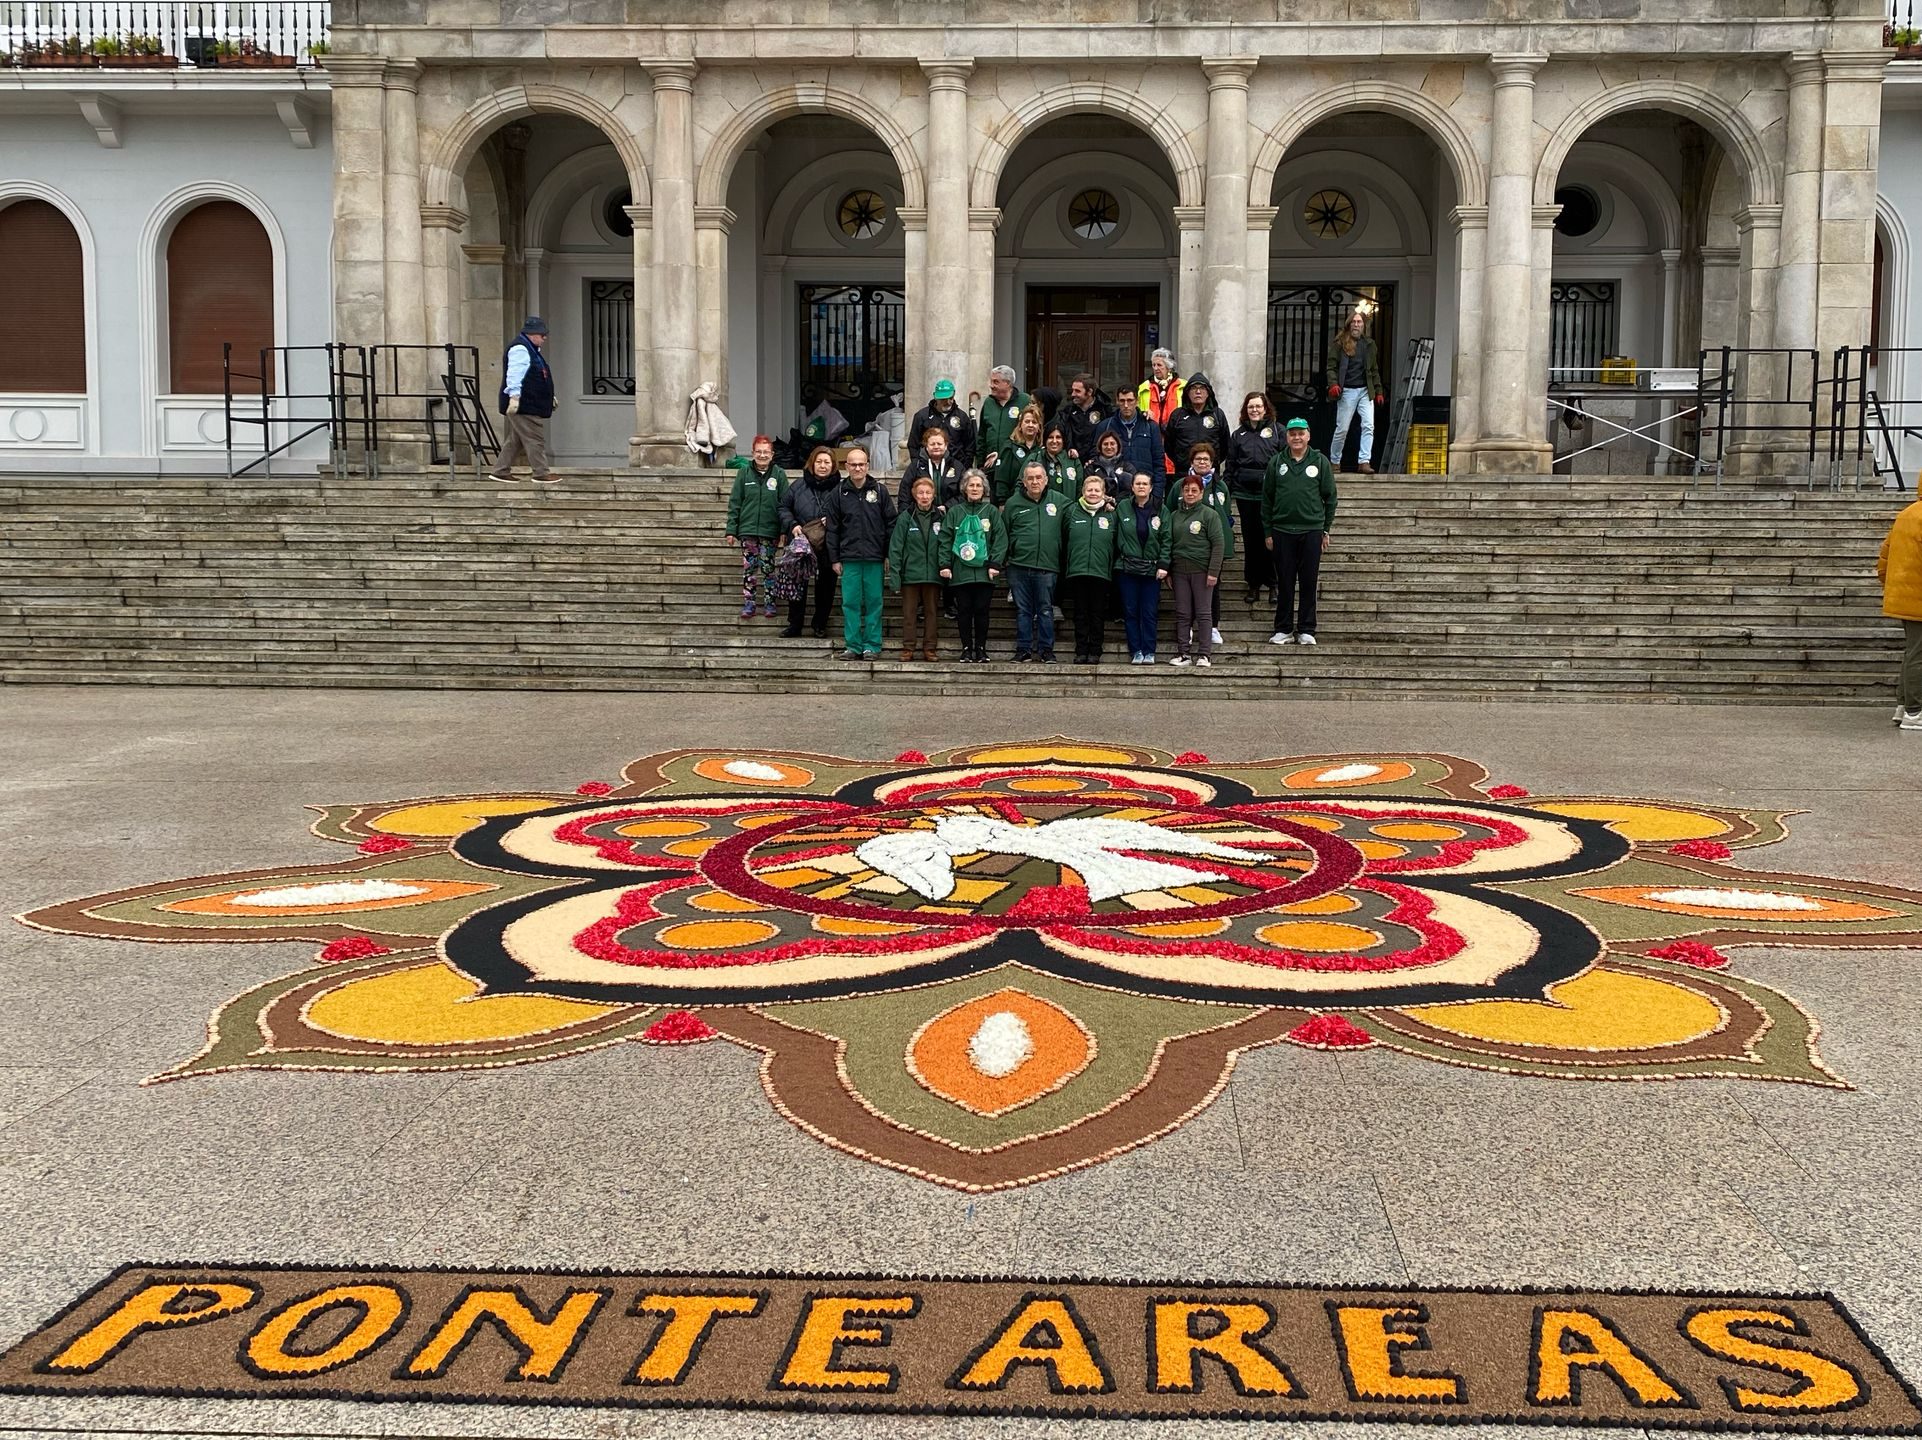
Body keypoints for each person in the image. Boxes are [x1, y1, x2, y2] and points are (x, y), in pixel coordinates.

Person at [1263, 417, 1338, 647]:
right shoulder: (1276, 462)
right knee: (1284, 581)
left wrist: (1325, 529)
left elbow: (1330, 498)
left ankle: (1306, 628)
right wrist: (1268, 531)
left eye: (1301, 433)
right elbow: (1267, 499)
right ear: (1287, 437)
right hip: (1282, 530)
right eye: (1292, 433)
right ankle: (1283, 629)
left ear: (1308, 436)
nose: (1297, 437)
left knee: (1308, 581)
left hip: (1312, 531)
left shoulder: (1320, 461)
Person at [826, 446, 895, 660]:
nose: (857, 468)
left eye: (861, 464)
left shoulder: (880, 491)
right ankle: (853, 645)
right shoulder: (838, 493)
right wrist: (834, 558)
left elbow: (891, 524)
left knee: (874, 602)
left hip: (874, 557)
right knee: (850, 603)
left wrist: (887, 554)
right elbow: (832, 528)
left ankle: (872, 646)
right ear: (846, 466)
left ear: (867, 466)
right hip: (849, 558)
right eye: (853, 464)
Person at [1001, 460, 1067, 663]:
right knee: (1023, 610)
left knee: (1045, 610)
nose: (1035, 481)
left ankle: (1046, 650)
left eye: (1039, 477)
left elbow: (1082, 508)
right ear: (1024, 481)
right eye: (1030, 478)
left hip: (1047, 566)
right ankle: (1023, 649)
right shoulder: (1013, 503)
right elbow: (1004, 532)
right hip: (1018, 566)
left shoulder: (1059, 500)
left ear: (1046, 480)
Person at [943, 468, 1005, 664]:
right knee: (964, 611)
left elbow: (1000, 539)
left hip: (985, 572)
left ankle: (981, 648)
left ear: (984, 489)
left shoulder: (991, 512)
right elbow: (945, 539)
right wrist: (945, 564)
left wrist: (995, 563)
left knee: (982, 611)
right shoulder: (954, 513)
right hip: (961, 572)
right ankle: (966, 648)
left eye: (979, 485)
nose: (975, 488)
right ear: (965, 488)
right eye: (971, 485)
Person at [779, 445, 842, 638]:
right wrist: (792, 524)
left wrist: (833, 519)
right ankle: (795, 624)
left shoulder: (841, 488)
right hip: (801, 541)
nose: (822, 466)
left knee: (826, 585)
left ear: (833, 466)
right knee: (797, 583)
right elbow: (783, 507)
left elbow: (849, 512)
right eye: (819, 462)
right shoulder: (798, 485)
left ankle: (819, 624)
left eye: (827, 462)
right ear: (812, 463)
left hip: (828, 543)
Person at [1226, 393, 1282, 604]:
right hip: (1244, 494)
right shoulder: (1238, 434)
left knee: (1270, 540)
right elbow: (1231, 465)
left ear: (1266, 408)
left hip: (1270, 495)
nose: (1255, 410)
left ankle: (1273, 584)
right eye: (1251, 407)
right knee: (1251, 542)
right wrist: (1227, 492)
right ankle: (1253, 584)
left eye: (1258, 406)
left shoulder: (1278, 431)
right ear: (1245, 409)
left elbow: (1284, 461)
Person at [723, 435, 788, 618]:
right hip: (748, 530)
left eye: (765, 452)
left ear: (772, 454)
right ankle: (749, 603)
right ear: (753, 453)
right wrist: (731, 530)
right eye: (758, 452)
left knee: (768, 569)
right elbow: (735, 502)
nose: (762, 455)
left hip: (770, 531)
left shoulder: (779, 474)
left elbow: (785, 504)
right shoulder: (743, 474)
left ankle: (769, 603)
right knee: (749, 569)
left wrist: (784, 530)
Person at [1167, 472, 1224, 668]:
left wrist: (1213, 572)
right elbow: (1169, 543)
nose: (1190, 494)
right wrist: (1169, 570)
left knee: (1203, 613)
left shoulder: (1210, 515)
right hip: (1180, 571)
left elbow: (1218, 545)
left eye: (1194, 490)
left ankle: (1204, 654)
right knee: (1183, 613)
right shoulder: (1174, 515)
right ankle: (1183, 653)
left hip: (1202, 570)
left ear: (1201, 493)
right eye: (1187, 490)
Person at [887, 475, 945, 662]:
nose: (925, 496)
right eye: (921, 493)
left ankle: (930, 648)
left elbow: (946, 544)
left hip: (933, 575)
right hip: (910, 575)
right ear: (914, 495)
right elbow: (896, 548)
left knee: (931, 613)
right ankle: (908, 647)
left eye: (928, 492)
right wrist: (895, 577)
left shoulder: (941, 517)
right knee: (909, 614)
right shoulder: (905, 517)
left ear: (934, 495)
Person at [1114, 470, 1169, 664]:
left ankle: (1149, 650)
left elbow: (1166, 538)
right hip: (1127, 568)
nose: (1141, 487)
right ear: (1132, 487)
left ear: (1151, 487)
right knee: (1130, 611)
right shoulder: (1122, 507)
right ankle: (1136, 650)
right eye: (1138, 483)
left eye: (1145, 484)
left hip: (1152, 570)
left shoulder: (1161, 508)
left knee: (1149, 612)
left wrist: (1164, 564)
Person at [1182, 443, 1235, 645]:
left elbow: (1227, 514)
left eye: (1206, 459)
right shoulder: (1182, 485)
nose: (1202, 462)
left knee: (1213, 586)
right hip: (1188, 548)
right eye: (1198, 459)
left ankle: (1212, 626)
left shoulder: (1220, 487)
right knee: (1188, 589)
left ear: (1212, 463)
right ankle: (1188, 627)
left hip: (1212, 548)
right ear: (1192, 462)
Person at [490, 316, 554, 483]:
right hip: (525, 404)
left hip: (529, 402)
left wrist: (549, 396)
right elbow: (515, 374)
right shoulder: (521, 349)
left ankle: (500, 470)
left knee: (516, 439)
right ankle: (541, 473)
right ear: (532, 334)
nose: (544, 338)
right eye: (542, 335)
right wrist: (515, 397)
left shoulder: (530, 349)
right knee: (535, 438)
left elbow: (538, 376)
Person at [1062, 473, 1118, 664]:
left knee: (1097, 614)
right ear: (1083, 491)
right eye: (1089, 490)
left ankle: (1095, 650)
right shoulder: (1071, 512)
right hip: (1077, 571)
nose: (1093, 493)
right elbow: (1063, 537)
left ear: (1103, 492)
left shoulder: (1111, 514)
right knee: (1080, 614)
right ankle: (1081, 650)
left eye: (1097, 490)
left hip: (1101, 572)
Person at [1880, 495, 1922, 730]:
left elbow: (1886, 553)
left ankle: (1903, 705)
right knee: (1919, 654)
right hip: (1919, 597)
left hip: (1906, 596)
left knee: (1913, 652)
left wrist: (1889, 584)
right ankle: (1915, 713)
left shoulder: (1906, 514)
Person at [1326, 309, 1385, 474]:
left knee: (1368, 426)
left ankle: (1364, 462)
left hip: (1366, 391)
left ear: (1363, 325)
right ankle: (1335, 462)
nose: (1357, 325)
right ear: (1349, 324)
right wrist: (1333, 384)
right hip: (1347, 391)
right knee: (1342, 428)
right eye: (1354, 322)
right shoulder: (1340, 344)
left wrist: (1378, 391)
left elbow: (1374, 370)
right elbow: (1331, 367)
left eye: (1359, 322)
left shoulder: (1369, 344)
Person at [1162, 372, 1229, 479]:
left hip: (1210, 474)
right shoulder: (1177, 415)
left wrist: (1213, 461)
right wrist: (1181, 461)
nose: (1198, 392)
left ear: (1208, 393)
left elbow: (1225, 445)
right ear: (1187, 393)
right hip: (1183, 474)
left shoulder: (1218, 415)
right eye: (1193, 388)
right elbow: (1169, 445)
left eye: (1202, 388)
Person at [1098, 387, 1166, 485]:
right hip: (1115, 488)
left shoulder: (1150, 426)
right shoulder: (1105, 426)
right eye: (1122, 401)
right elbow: (1095, 457)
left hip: (1144, 487)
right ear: (1117, 401)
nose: (1126, 405)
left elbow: (1159, 462)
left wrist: (1157, 493)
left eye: (1130, 400)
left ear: (1137, 401)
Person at [908, 379, 975, 467]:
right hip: (928, 466)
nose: (947, 402)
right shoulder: (922, 416)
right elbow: (913, 444)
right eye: (943, 399)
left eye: (949, 398)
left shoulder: (962, 417)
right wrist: (918, 465)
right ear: (936, 398)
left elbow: (970, 445)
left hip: (956, 466)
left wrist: (964, 466)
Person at [974, 365, 1030, 471]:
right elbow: (982, 435)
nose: (991, 386)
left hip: (1016, 464)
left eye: (995, 382)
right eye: (991, 381)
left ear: (1008, 383)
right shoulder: (988, 403)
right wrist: (980, 464)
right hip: (990, 465)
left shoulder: (1024, 401)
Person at [1137, 349, 1184, 473]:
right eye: (1153, 365)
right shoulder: (1144, 387)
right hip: (1152, 438)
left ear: (1169, 367)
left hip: (1176, 439)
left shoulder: (1183, 386)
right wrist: (1143, 414)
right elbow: (1138, 411)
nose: (1156, 368)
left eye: (1159, 365)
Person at [989, 404, 1045, 503]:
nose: (1030, 425)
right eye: (1027, 421)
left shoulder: (1042, 451)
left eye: (1034, 422)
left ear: (1039, 427)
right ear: (1020, 426)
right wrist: (1002, 502)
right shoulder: (1009, 448)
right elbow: (1001, 479)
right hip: (1013, 502)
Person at [898, 425, 965, 508]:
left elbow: (964, 494)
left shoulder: (957, 466)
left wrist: (947, 507)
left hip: (950, 515)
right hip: (922, 515)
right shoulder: (916, 466)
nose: (936, 447)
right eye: (932, 444)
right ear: (926, 446)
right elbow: (904, 494)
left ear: (946, 445)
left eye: (939, 444)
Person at [1058, 374, 1105, 460]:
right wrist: (1070, 449)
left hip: (1096, 462)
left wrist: (1094, 458)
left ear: (1090, 392)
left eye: (1077, 391)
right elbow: (1064, 434)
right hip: (1073, 462)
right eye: (1072, 390)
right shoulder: (1067, 412)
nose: (1073, 394)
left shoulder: (1104, 411)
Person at [1087, 429, 1142, 502]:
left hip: (1122, 508)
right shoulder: (1092, 467)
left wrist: (1114, 501)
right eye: (1105, 444)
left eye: (1112, 444)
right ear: (1100, 446)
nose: (1109, 447)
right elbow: (1086, 489)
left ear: (1118, 446)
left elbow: (1133, 490)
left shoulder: (1127, 467)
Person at [1041, 421, 1083, 496]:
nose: (1054, 441)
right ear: (1045, 440)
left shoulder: (1073, 460)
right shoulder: (1036, 457)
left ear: (1063, 440)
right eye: (1050, 437)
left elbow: (1080, 489)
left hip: (1069, 506)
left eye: (1058, 437)